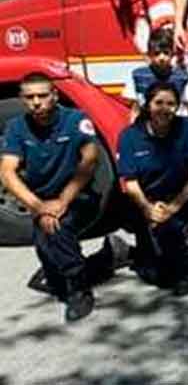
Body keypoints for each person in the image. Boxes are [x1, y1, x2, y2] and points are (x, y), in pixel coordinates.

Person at [0, 74, 123, 322]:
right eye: (30, 97)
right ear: (22, 99)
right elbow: (7, 171)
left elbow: (89, 161)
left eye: (42, 95)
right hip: (42, 201)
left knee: (57, 231)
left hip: (81, 196)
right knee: (51, 268)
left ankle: (79, 291)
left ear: (55, 95)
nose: (36, 102)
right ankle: (109, 257)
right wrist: (38, 207)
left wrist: (62, 201)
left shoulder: (76, 120)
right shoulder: (16, 127)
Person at [118, 82, 188, 296]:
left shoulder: (187, 127)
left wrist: (174, 207)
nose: (164, 109)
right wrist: (148, 208)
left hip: (179, 199)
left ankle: (183, 245)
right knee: (156, 275)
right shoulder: (129, 136)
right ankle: (126, 251)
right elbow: (130, 182)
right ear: (147, 105)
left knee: (181, 278)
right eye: (158, 103)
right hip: (144, 201)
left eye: (171, 104)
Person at [122, 27, 188, 123]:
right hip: (146, 123)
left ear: (172, 53)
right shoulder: (137, 76)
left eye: (166, 53)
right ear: (149, 54)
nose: (162, 57)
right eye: (157, 53)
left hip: (176, 124)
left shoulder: (184, 78)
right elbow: (135, 108)